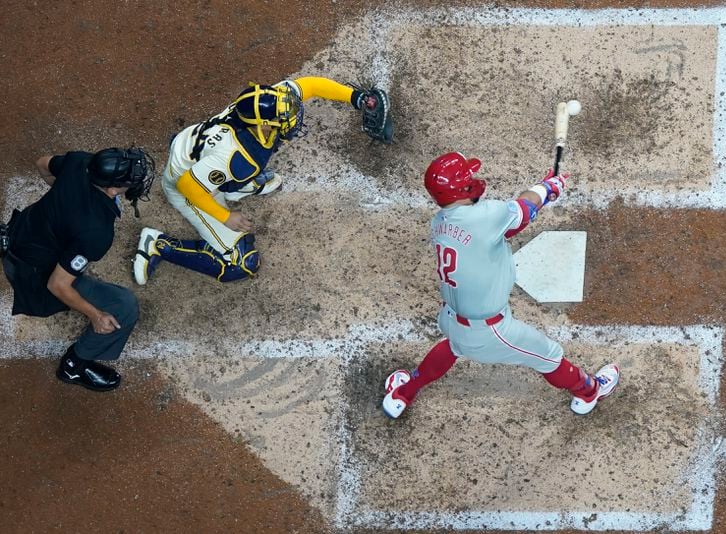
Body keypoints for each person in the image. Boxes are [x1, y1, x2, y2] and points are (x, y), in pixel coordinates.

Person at [382, 152, 620, 418]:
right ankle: (589, 392)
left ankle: (403, 392)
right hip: (489, 331)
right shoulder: (485, 217)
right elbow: (525, 209)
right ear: (461, 188)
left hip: (450, 316)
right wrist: (548, 187)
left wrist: (541, 194)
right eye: (467, 177)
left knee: (453, 345)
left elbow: (506, 228)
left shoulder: (439, 222)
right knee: (550, 356)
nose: (473, 178)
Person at [133, 78, 392, 284]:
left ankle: (238, 186)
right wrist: (225, 217)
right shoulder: (235, 155)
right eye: (284, 118)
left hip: (194, 148)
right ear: (262, 125)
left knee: (247, 170)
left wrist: (356, 98)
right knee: (241, 264)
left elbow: (310, 85)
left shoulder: (268, 103)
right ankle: (157, 245)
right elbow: (187, 186)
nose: (292, 117)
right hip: (187, 183)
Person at [1, 147, 155, 391]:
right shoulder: (97, 232)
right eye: (130, 179)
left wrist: (64, 202)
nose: (136, 179)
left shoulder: (81, 162)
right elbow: (57, 284)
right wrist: (96, 316)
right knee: (124, 306)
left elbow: (42, 163)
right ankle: (74, 366)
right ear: (112, 189)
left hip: (22, 230)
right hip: (34, 274)